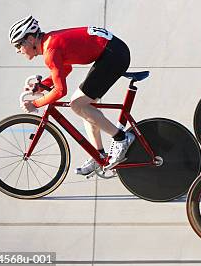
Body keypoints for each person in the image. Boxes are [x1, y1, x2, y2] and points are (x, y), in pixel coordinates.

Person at [9, 15, 134, 173]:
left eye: (19, 44)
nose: (17, 50)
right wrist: (43, 86)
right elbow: (65, 68)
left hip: (113, 55)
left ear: (31, 39)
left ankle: (122, 138)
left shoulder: (50, 51)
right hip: (112, 52)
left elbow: (60, 91)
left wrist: (35, 104)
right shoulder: (50, 42)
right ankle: (99, 156)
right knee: (82, 106)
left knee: (77, 105)